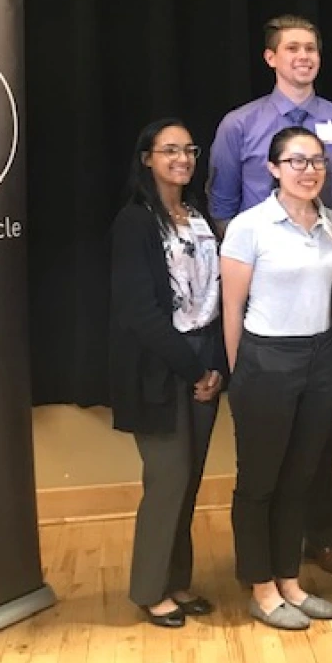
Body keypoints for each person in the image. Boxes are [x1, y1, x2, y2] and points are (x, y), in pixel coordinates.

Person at [209, 14, 332, 578]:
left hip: (323, 296)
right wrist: (267, 257)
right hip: (264, 293)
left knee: (313, 441)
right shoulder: (239, 125)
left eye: (312, 48)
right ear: (270, 57)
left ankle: (318, 540)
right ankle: (264, 570)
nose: (304, 56)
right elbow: (222, 208)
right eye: (292, 48)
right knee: (266, 452)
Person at [220, 127, 332, 630]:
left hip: (320, 357)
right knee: (260, 481)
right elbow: (231, 310)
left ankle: (290, 579)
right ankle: (261, 586)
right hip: (265, 359)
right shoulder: (251, 227)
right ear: (272, 169)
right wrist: (241, 374)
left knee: (300, 478)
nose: (309, 170)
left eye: (316, 161)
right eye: (296, 161)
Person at [109, 119, 226, 628]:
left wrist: (216, 362)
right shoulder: (135, 223)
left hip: (204, 361)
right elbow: (140, 313)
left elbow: (217, 297)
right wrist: (195, 366)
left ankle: (177, 582)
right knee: (167, 479)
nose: (182, 158)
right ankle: (149, 588)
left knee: (189, 480)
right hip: (160, 368)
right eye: (170, 150)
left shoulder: (198, 218)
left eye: (189, 150)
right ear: (147, 158)